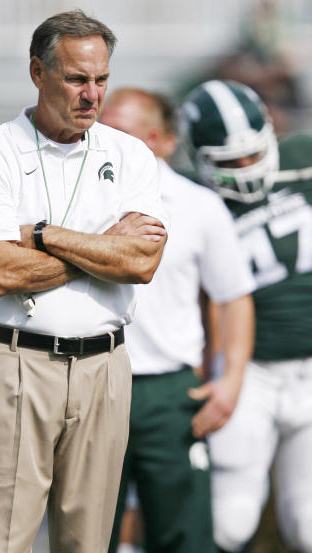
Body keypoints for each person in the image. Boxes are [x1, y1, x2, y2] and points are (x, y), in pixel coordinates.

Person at [0, 10, 167, 553]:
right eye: (77, 78)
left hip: (105, 366)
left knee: (88, 542)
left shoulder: (131, 154)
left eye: (101, 79)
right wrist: (102, 245)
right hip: (16, 360)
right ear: (38, 72)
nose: (91, 94)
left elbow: (143, 263)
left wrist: (44, 235)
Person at [99, 88, 255, 553]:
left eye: (121, 132)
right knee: (87, 535)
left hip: (168, 392)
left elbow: (234, 298)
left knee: (184, 535)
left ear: (159, 140)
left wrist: (231, 384)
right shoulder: (78, 198)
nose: (105, 143)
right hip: (92, 380)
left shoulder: (198, 205)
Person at [180, 78, 312, 553]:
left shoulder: (303, 160)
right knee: (230, 520)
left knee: (308, 525)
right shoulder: (190, 198)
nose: (244, 169)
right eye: (228, 162)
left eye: (252, 155)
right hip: (247, 371)